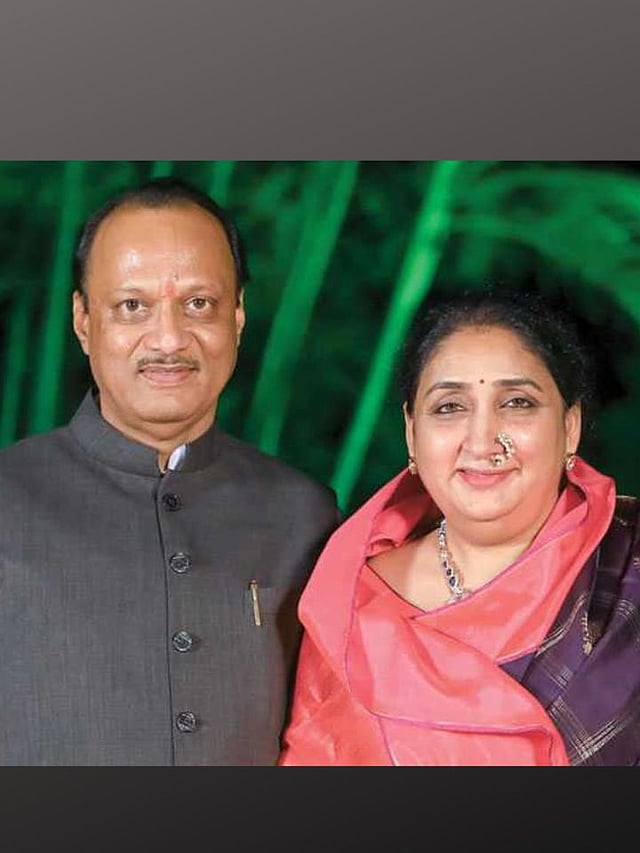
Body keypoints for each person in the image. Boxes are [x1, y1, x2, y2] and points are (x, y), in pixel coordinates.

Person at [0, 176, 340, 765]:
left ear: (238, 317)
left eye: (199, 304)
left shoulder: (304, 516)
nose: (168, 338)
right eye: (132, 306)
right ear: (83, 320)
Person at [280, 287, 640, 766]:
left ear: (569, 426)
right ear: (412, 434)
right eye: (450, 407)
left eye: (517, 402)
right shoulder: (350, 610)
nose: (482, 439)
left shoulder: (627, 567)